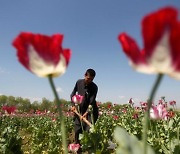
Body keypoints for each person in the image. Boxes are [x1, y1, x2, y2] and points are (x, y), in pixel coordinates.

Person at [70, 68, 99, 144]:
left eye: (92, 79)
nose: (90, 81)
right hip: (79, 110)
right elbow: (72, 94)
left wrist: (86, 112)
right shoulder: (79, 82)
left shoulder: (94, 87)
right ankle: (77, 147)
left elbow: (91, 102)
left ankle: (87, 148)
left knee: (87, 131)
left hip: (90, 112)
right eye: (88, 78)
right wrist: (73, 105)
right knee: (77, 129)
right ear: (85, 75)